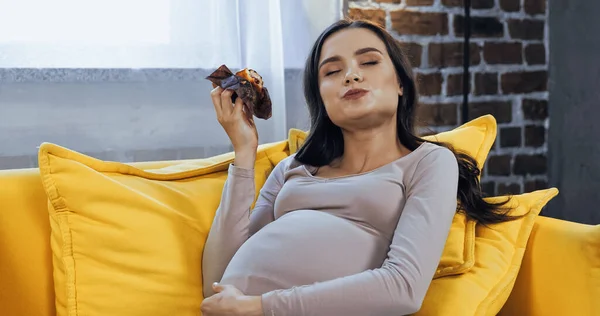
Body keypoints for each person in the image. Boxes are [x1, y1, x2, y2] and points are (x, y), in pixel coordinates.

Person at [200, 18, 513, 316]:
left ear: (401, 83)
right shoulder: (290, 169)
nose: (351, 75)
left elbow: (403, 288)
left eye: (369, 62)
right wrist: (243, 152)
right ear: (320, 98)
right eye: (333, 71)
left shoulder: (428, 162)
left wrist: (260, 307)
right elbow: (217, 281)